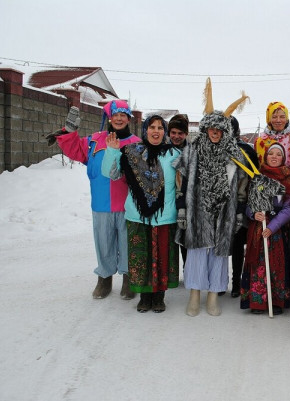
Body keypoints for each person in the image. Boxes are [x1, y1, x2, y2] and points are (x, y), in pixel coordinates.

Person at [50, 100, 141, 299]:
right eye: (115, 115)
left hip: (128, 205)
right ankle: (104, 278)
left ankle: (129, 278)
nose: (119, 119)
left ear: (128, 119)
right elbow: (76, 150)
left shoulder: (136, 143)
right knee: (103, 242)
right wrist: (69, 132)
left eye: (123, 115)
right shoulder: (95, 140)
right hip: (101, 203)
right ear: (109, 117)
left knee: (128, 243)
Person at [174, 78, 249, 317]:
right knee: (196, 252)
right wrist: (182, 209)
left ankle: (214, 295)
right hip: (197, 211)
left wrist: (238, 213)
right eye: (211, 129)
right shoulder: (192, 151)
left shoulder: (234, 154)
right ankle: (195, 294)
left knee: (218, 254)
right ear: (205, 129)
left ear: (225, 131)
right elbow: (180, 182)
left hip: (224, 212)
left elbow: (242, 186)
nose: (215, 133)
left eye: (220, 129)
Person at [101, 115, 180, 312]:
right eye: (152, 127)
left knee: (162, 258)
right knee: (140, 258)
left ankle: (159, 297)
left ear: (164, 132)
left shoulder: (174, 154)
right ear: (145, 130)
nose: (156, 131)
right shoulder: (130, 152)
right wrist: (112, 151)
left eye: (160, 128)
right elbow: (111, 173)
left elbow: (186, 181)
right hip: (138, 216)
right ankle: (144, 297)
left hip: (165, 216)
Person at [241, 143, 290, 314]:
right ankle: (257, 301)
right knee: (258, 263)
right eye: (271, 153)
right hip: (258, 228)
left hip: (277, 229)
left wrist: (272, 226)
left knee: (276, 264)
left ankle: (276, 301)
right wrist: (253, 213)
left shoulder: (287, 178)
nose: (274, 157)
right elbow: (248, 203)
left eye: (278, 154)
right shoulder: (257, 176)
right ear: (265, 156)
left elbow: (289, 207)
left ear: (283, 158)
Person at [230, 116, 259, 298]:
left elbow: (256, 175)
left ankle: (238, 283)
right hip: (224, 205)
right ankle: (222, 281)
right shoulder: (216, 149)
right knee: (225, 245)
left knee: (239, 244)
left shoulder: (246, 149)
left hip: (244, 202)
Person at [167, 114, 189, 277]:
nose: (176, 136)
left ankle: (188, 271)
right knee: (169, 240)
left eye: (180, 133)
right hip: (167, 203)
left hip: (186, 203)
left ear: (186, 134)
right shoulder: (163, 150)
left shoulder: (191, 152)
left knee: (185, 240)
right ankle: (170, 274)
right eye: (173, 132)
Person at [254, 101, 290, 167]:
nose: (278, 120)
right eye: (274, 117)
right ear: (269, 120)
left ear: (287, 119)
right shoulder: (260, 141)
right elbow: (256, 166)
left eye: (282, 117)